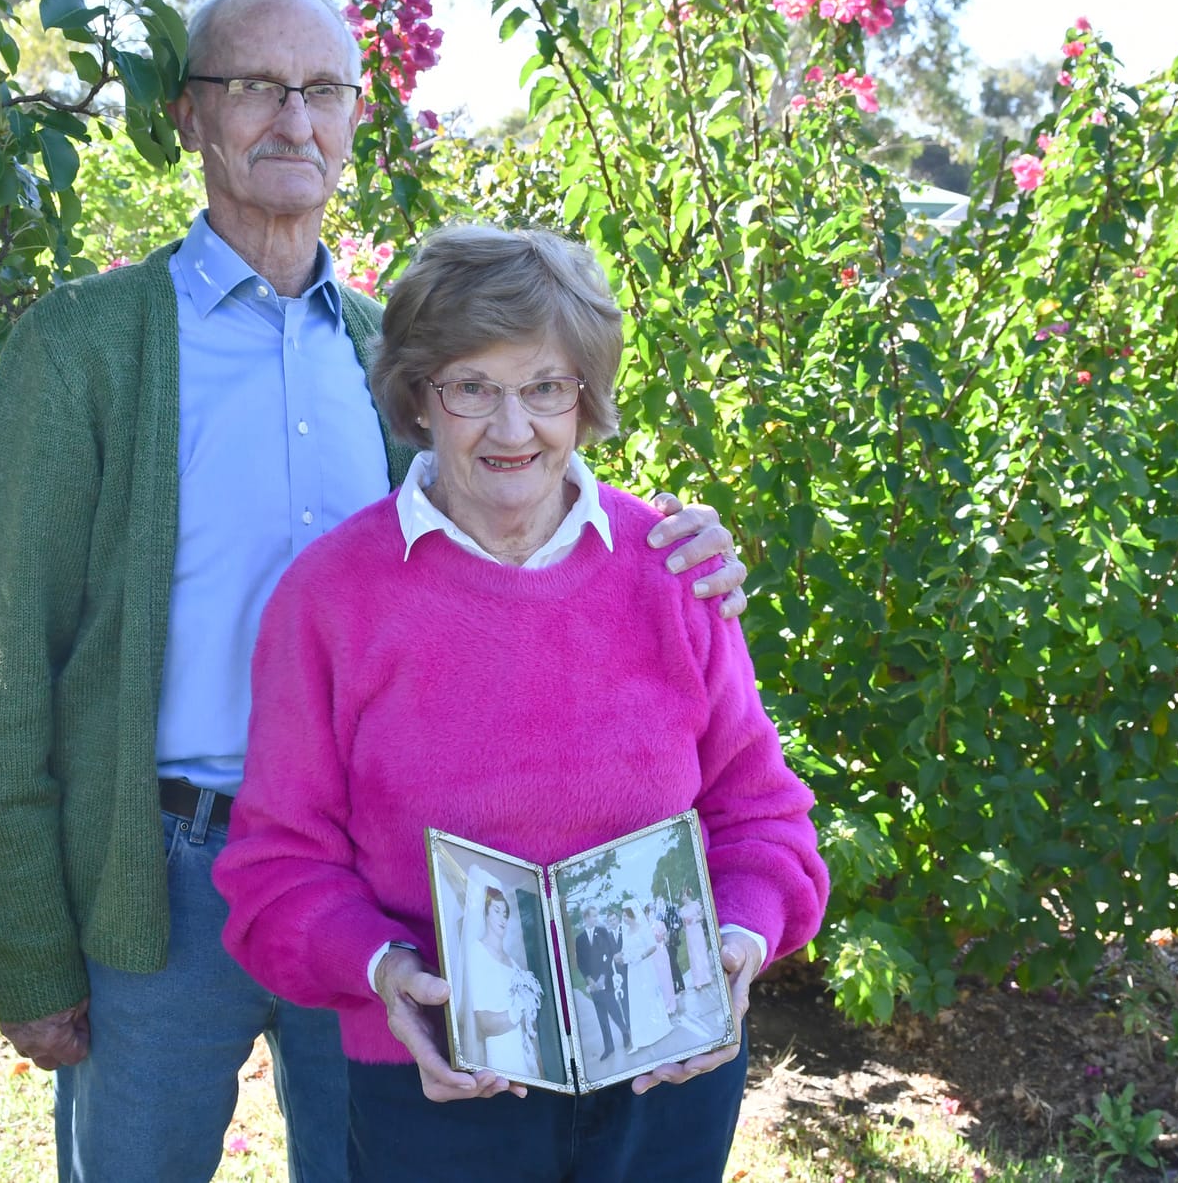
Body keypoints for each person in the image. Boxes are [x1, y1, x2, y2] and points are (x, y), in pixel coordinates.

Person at [0, 0, 747, 1183]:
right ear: (188, 117)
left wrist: (690, 548)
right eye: (253, 87)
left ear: (354, 119)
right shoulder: (84, 346)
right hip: (159, 882)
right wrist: (22, 948)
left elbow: (518, 519)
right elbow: (3, 662)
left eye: (320, 91)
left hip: (375, 896)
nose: (290, 120)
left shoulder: (396, 354)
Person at [214, 225, 829, 1182]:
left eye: (545, 386)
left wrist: (742, 940)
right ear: (420, 397)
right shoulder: (332, 598)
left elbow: (762, 815)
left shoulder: (671, 571)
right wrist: (383, 969)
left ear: (585, 399)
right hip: (440, 1087)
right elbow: (277, 866)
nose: (513, 429)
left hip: (664, 1083)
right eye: (473, 387)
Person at [459, 880, 541, 1079]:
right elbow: (484, 1023)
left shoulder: (511, 961)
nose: (502, 918)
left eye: (505, 913)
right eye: (496, 911)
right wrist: (516, 1009)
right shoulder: (477, 952)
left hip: (523, 1047)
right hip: (502, 1050)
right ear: (485, 913)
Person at [574, 903, 630, 1060]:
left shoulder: (602, 932)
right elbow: (581, 962)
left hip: (606, 979)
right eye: (593, 916)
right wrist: (589, 979)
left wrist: (603, 977)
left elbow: (610, 952)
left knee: (613, 1009)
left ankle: (625, 1032)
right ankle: (609, 1046)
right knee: (601, 1016)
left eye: (596, 916)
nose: (596, 919)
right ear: (586, 918)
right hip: (593, 984)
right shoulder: (580, 939)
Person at [621, 904, 674, 1051]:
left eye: (625, 915)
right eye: (623, 916)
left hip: (644, 967)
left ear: (632, 915)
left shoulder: (643, 928)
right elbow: (625, 950)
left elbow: (653, 946)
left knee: (650, 995)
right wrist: (625, 957)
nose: (623, 918)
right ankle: (642, 1034)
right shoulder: (625, 933)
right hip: (632, 970)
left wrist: (641, 956)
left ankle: (658, 1027)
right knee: (638, 999)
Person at [680, 890, 716, 995]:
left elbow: (703, 916)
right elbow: (683, 925)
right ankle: (698, 981)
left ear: (688, 895)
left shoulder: (696, 904)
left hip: (697, 930)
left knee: (701, 952)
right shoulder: (682, 910)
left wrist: (695, 919)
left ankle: (707, 977)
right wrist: (686, 925)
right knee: (694, 955)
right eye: (682, 897)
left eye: (684, 896)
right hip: (690, 933)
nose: (683, 898)